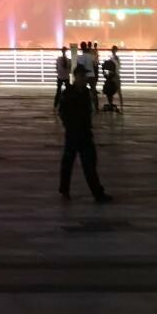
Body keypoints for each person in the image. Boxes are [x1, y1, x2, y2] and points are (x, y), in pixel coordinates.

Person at [58, 64, 110, 201]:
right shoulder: (68, 92)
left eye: (85, 76)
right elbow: (62, 112)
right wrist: (69, 126)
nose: (85, 78)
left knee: (90, 164)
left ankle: (98, 193)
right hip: (73, 133)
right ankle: (64, 190)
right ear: (76, 76)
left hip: (85, 133)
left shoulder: (86, 92)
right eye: (82, 76)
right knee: (68, 163)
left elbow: (89, 110)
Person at [102, 45, 122, 112]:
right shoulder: (116, 58)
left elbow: (109, 68)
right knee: (118, 92)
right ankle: (121, 107)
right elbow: (119, 67)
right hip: (115, 76)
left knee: (110, 91)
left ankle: (111, 104)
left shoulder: (111, 58)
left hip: (111, 76)